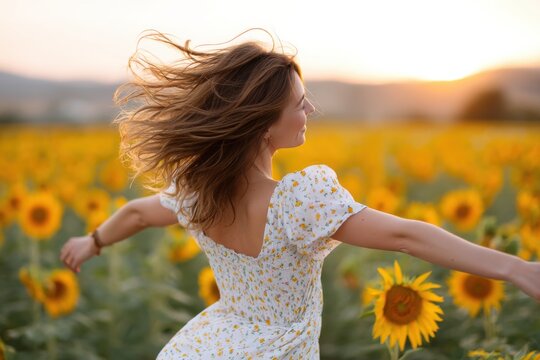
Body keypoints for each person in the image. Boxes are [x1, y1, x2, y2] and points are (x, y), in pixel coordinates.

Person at [59, 28, 540, 359]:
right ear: (264, 123)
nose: (310, 107)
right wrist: (517, 268)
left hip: (205, 347)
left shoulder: (197, 190)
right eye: (298, 102)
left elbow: (140, 214)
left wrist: (92, 242)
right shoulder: (298, 201)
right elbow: (405, 237)